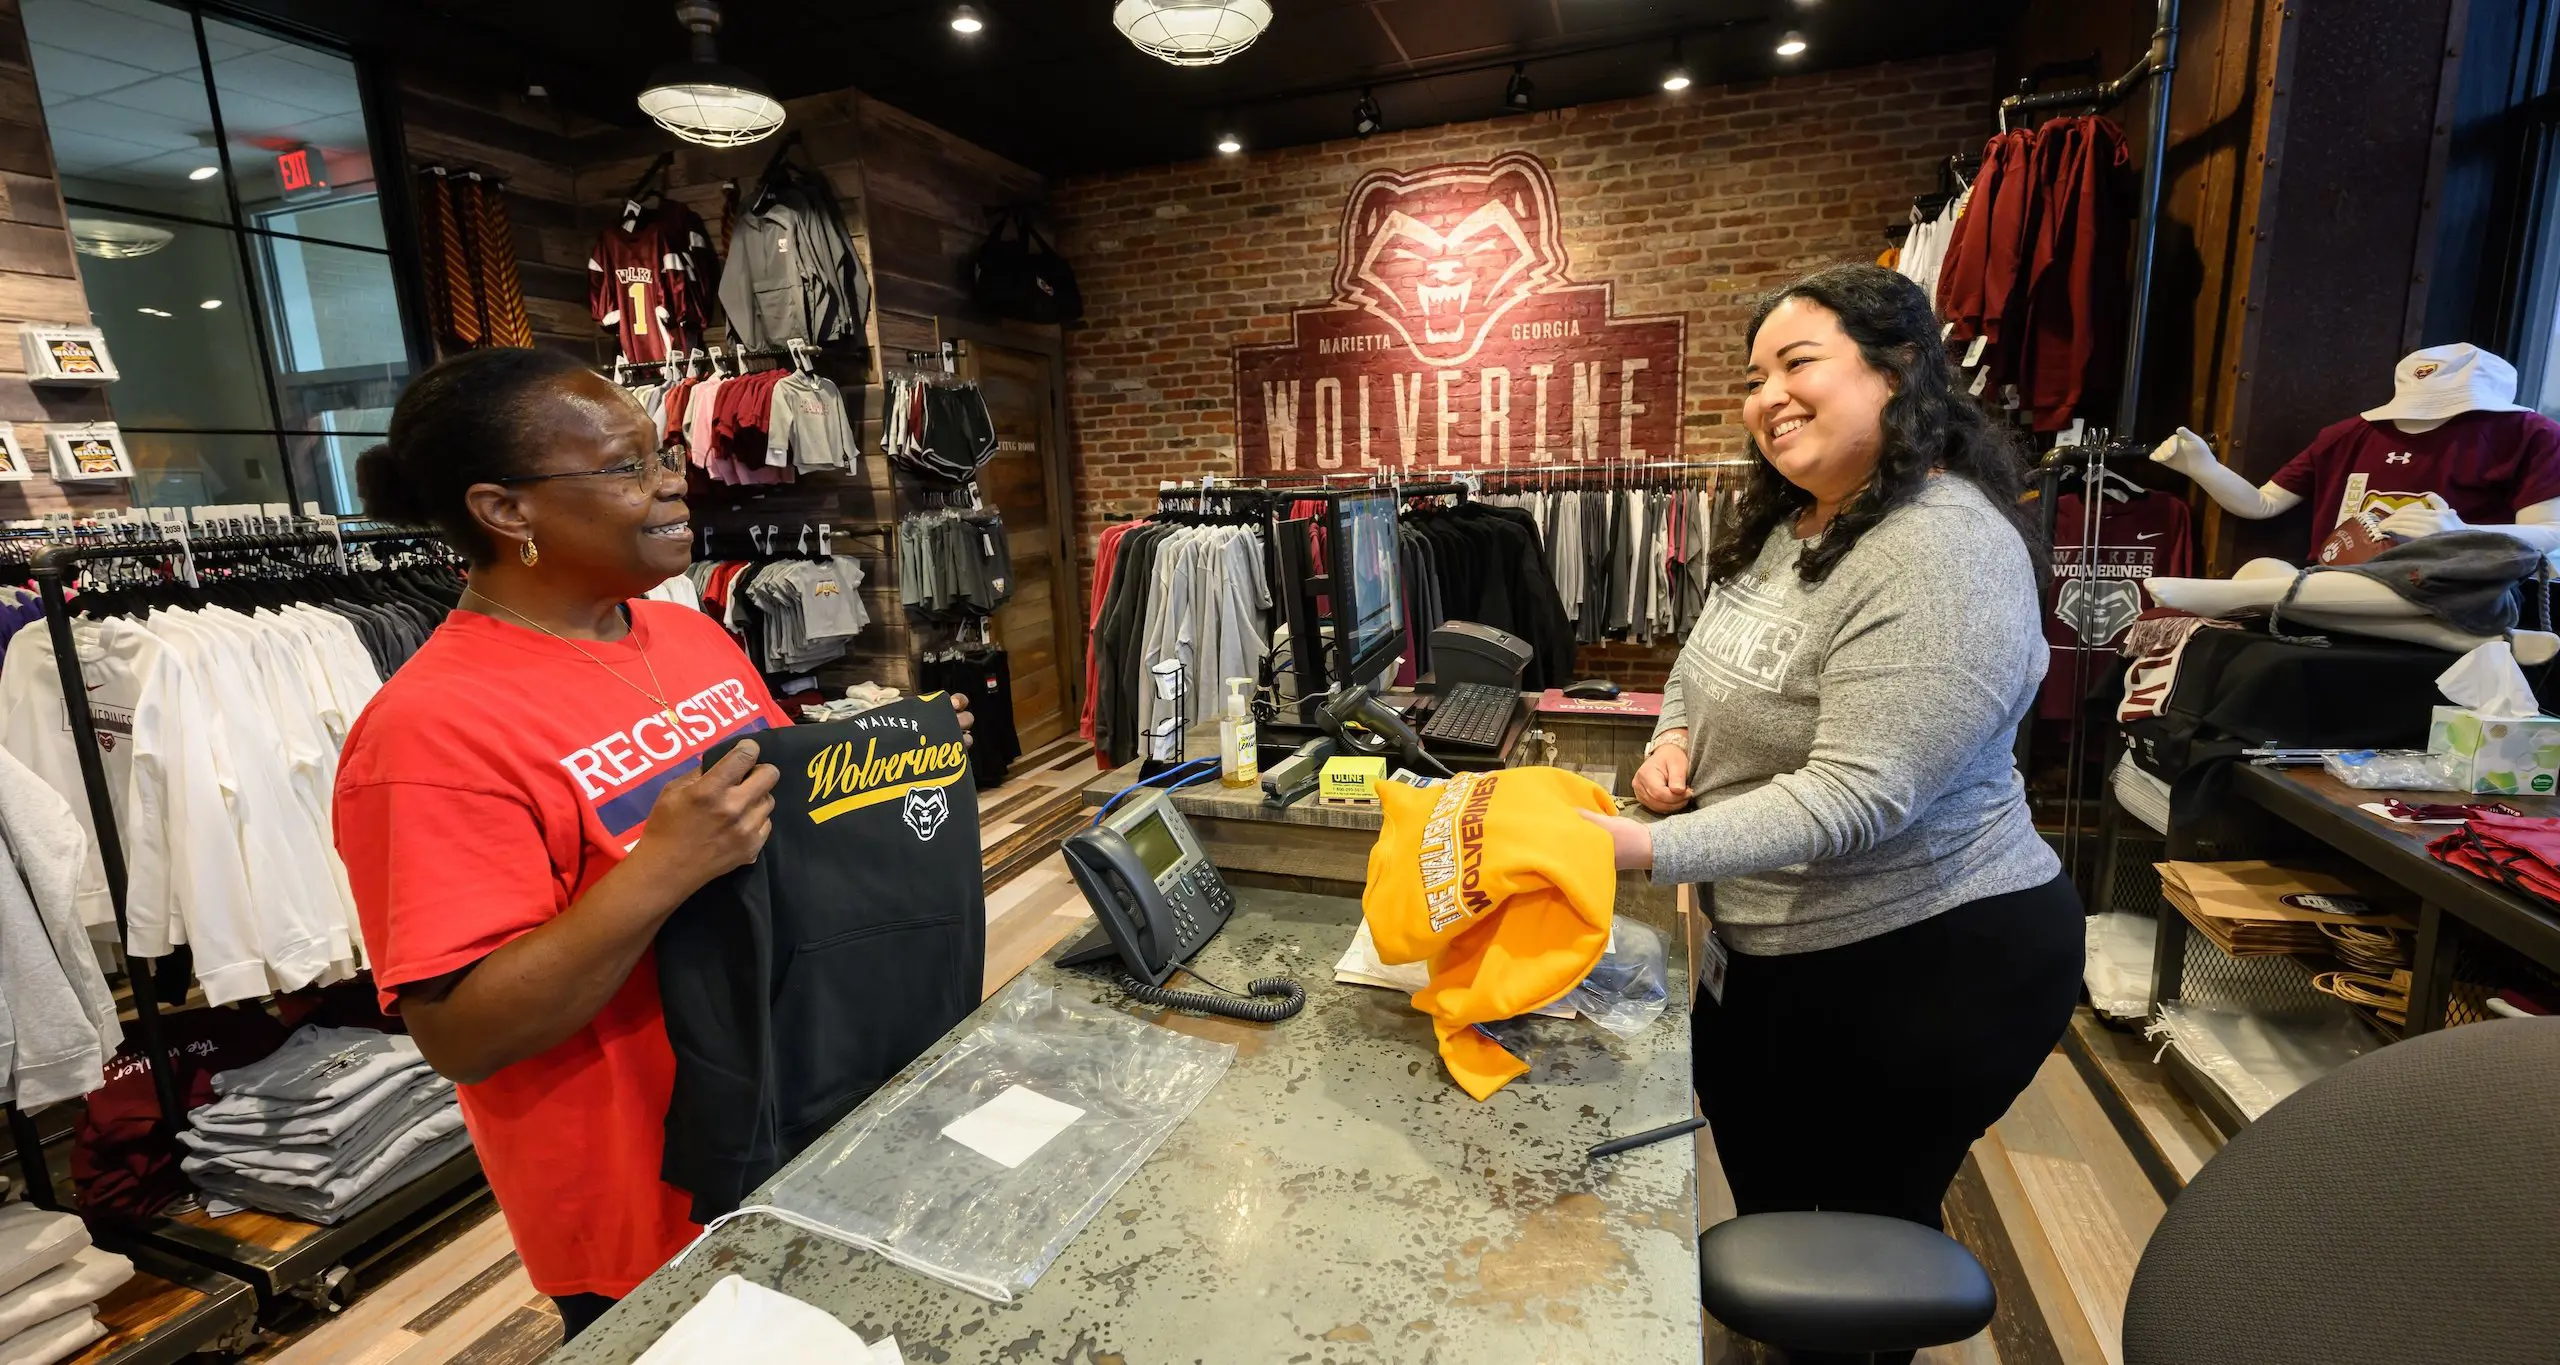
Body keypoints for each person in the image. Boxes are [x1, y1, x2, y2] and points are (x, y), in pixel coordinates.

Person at [331, 349, 969, 1342]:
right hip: (643, 1202)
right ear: (506, 512)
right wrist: (663, 870)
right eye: (626, 467)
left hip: (799, 1112)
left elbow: (776, 838)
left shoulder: (688, 637)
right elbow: (463, 1034)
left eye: (664, 453)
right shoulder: (429, 733)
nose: (674, 479)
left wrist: (887, 761)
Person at [1583, 265, 2082, 1360]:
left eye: (1798, 364)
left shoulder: (1940, 548)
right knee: (1774, 1212)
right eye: (1755, 376)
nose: (1768, 396)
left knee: (1856, 1251)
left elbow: (1859, 791)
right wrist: (1672, 741)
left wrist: (1646, 846)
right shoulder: (1797, 524)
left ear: (1899, 370)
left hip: (1925, 961)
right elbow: (1702, 667)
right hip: (1777, 952)